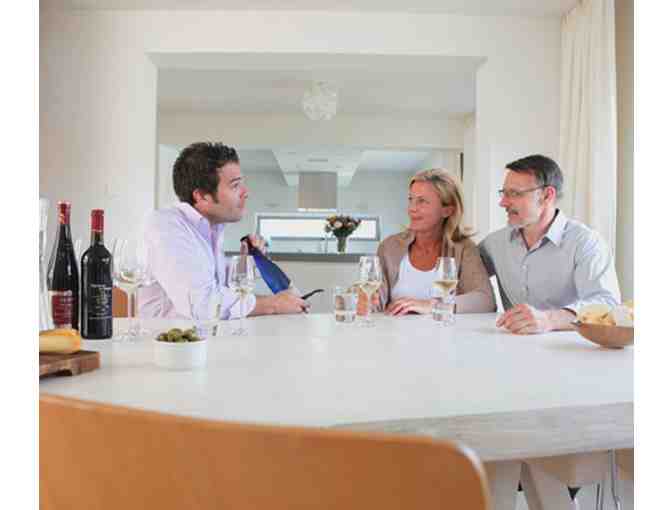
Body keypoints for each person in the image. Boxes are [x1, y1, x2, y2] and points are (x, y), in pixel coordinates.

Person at [138, 142, 307, 319]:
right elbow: (202, 304)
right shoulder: (166, 226)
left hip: (203, 334)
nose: (245, 192)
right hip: (166, 336)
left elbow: (217, 287)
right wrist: (274, 304)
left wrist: (244, 263)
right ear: (201, 196)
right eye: (235, 186)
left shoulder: (211, 228)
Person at [479, 154, 621, 334]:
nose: (503, 202)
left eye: (515, 193)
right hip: (510, 344)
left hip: (569, 348)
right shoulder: (494, 244)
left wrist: (549, 320)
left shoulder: (585, 243)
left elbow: (607, 303)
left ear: (547, 195)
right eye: (504, 193)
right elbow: (461, 276)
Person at [372, 168, 496, 315]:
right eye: (411, 199)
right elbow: (374, 302)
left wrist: (432, 305)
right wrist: (364, 303)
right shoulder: (389, 247)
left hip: (446, 330)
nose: (412, 208)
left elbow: (486, 301)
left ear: (447, 210)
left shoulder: (463, 249)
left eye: (422, 201)